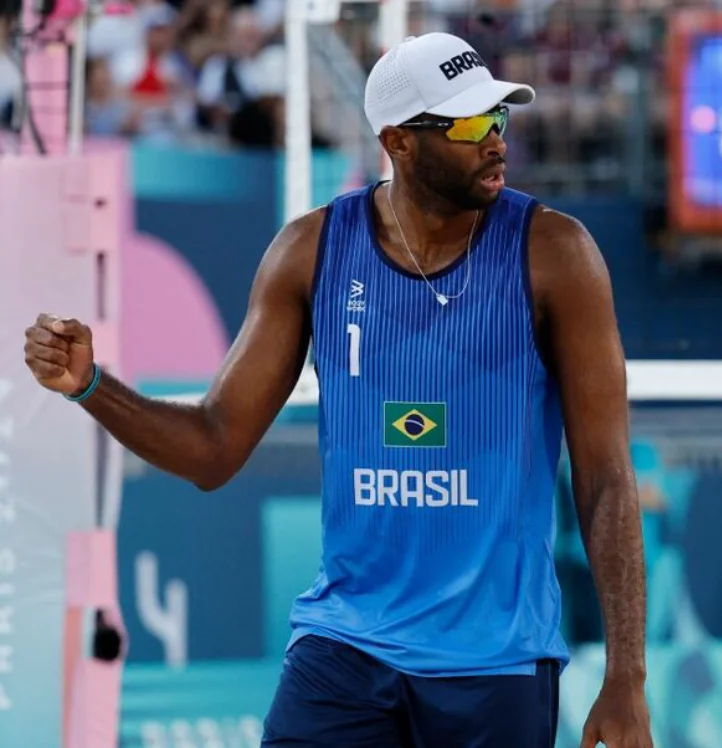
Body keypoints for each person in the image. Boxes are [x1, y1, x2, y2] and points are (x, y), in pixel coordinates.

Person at [23, 32, 653, 748]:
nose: (496, 142)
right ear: (400, 143)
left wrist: (627, 675)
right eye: (471, 125)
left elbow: (605, 478)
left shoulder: (556, 254)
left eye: (500, 120)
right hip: (346, 650)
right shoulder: (311, 251)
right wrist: (91, 386)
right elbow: (213, 448)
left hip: (494, 664)